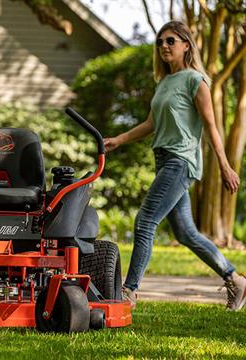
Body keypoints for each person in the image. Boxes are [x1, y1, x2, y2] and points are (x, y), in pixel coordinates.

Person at [104, 21, 245, 311]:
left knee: (145, 222)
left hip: (181, 161)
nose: (164, 46)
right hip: (164, 159)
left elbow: (211, 127)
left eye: (170, 40)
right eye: (160, 42)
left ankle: (129, 292)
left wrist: (225, 166)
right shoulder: (164, 82)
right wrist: (119, 139)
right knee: (186, 234)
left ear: (186, 44)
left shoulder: (196, 80)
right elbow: (151, 124)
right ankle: (236, 279)